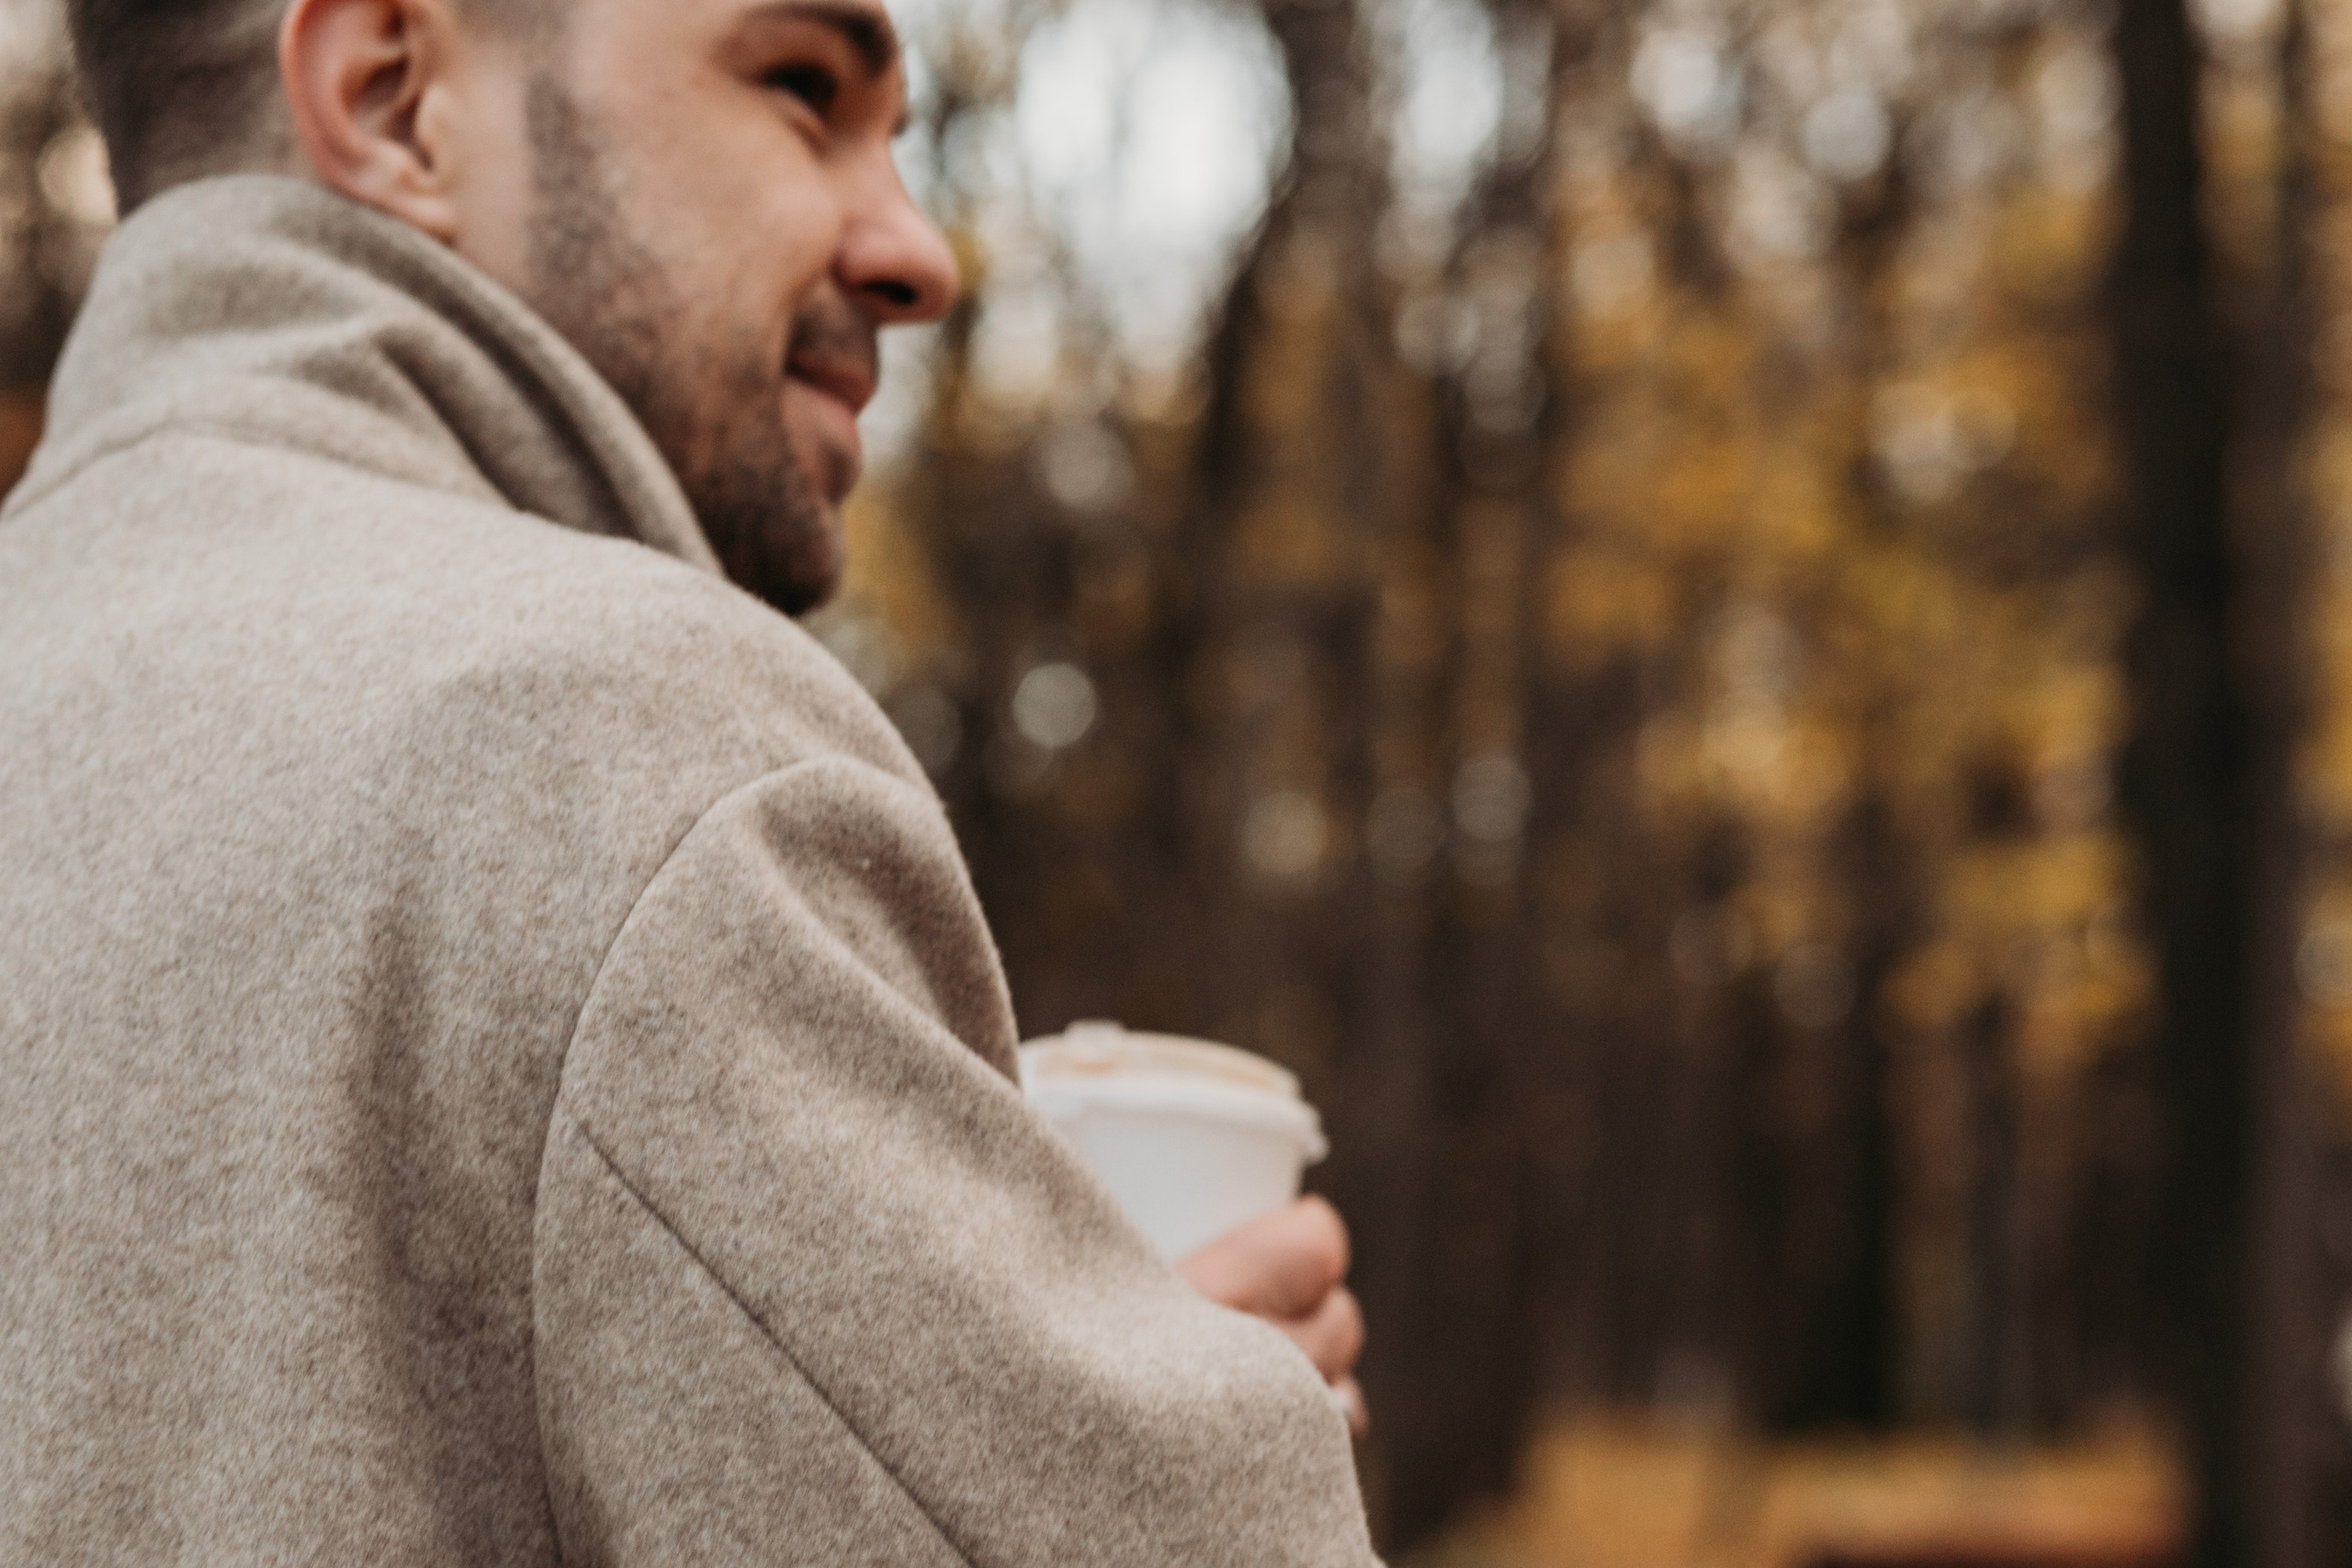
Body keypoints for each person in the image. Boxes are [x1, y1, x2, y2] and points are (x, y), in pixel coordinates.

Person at [0, 0, 1378, 1561]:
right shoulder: (620, 748)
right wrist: (1142, 1485)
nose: (917, 256)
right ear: (393, 98)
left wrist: (1014, 1397)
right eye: (800, 86)